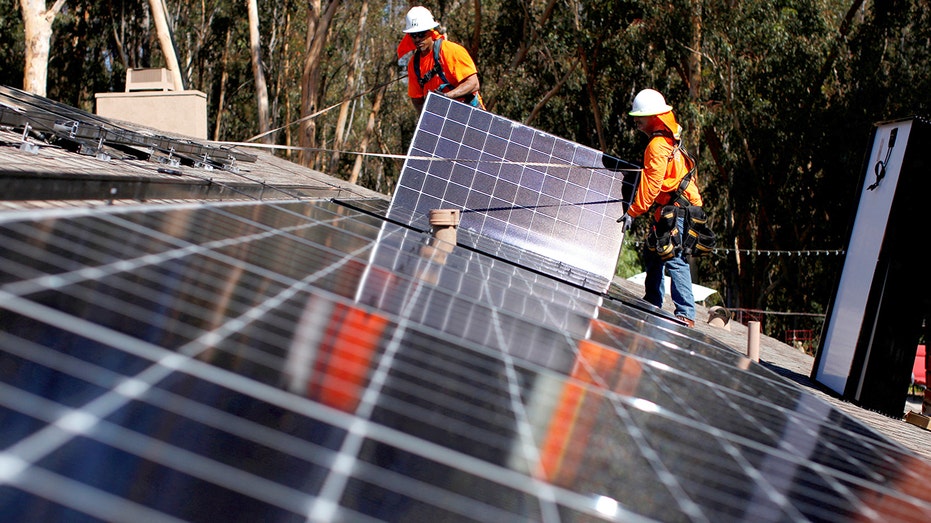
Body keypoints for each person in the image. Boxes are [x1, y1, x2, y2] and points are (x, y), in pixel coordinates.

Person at [617, 88, 703, 327]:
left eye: (640, 117)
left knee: (673, 256)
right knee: (653, 251)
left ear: (654, 117)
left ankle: (686, 313)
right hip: (677, 206)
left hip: (677, 208)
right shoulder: (668, 140)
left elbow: (652, 185)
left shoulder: (657, 146)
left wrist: (633, 211)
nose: (636, 122)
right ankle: (652, 300)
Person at [402, 6, 484, 113]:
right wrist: (427, 119)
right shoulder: (414, 65)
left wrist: (446, 97)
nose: (417, 39)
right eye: (413, 35)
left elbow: (473, 84)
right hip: (444, 120)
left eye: (421, 34)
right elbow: (416, 99)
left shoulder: (451, 51)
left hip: (471, 113)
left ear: (431, 31)